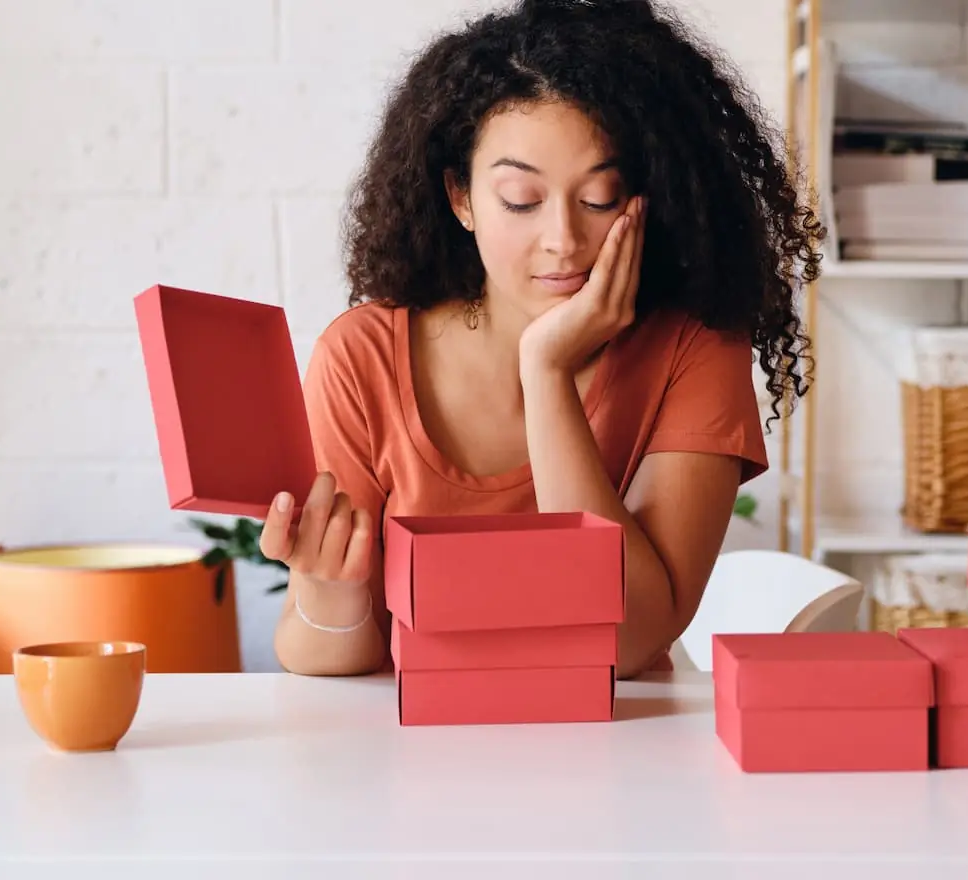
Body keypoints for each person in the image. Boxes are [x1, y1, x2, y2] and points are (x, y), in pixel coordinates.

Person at [260, 0, 823, 680]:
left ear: (652, 197)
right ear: (461, 198)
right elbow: (326, 660)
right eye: (521, 200)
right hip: (418, 757)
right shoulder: (364, 356)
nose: (563, 240)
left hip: (621, 756)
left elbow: (628, 640)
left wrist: (546, 372)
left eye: (600, 198)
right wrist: (330, 587)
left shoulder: (693, 350)